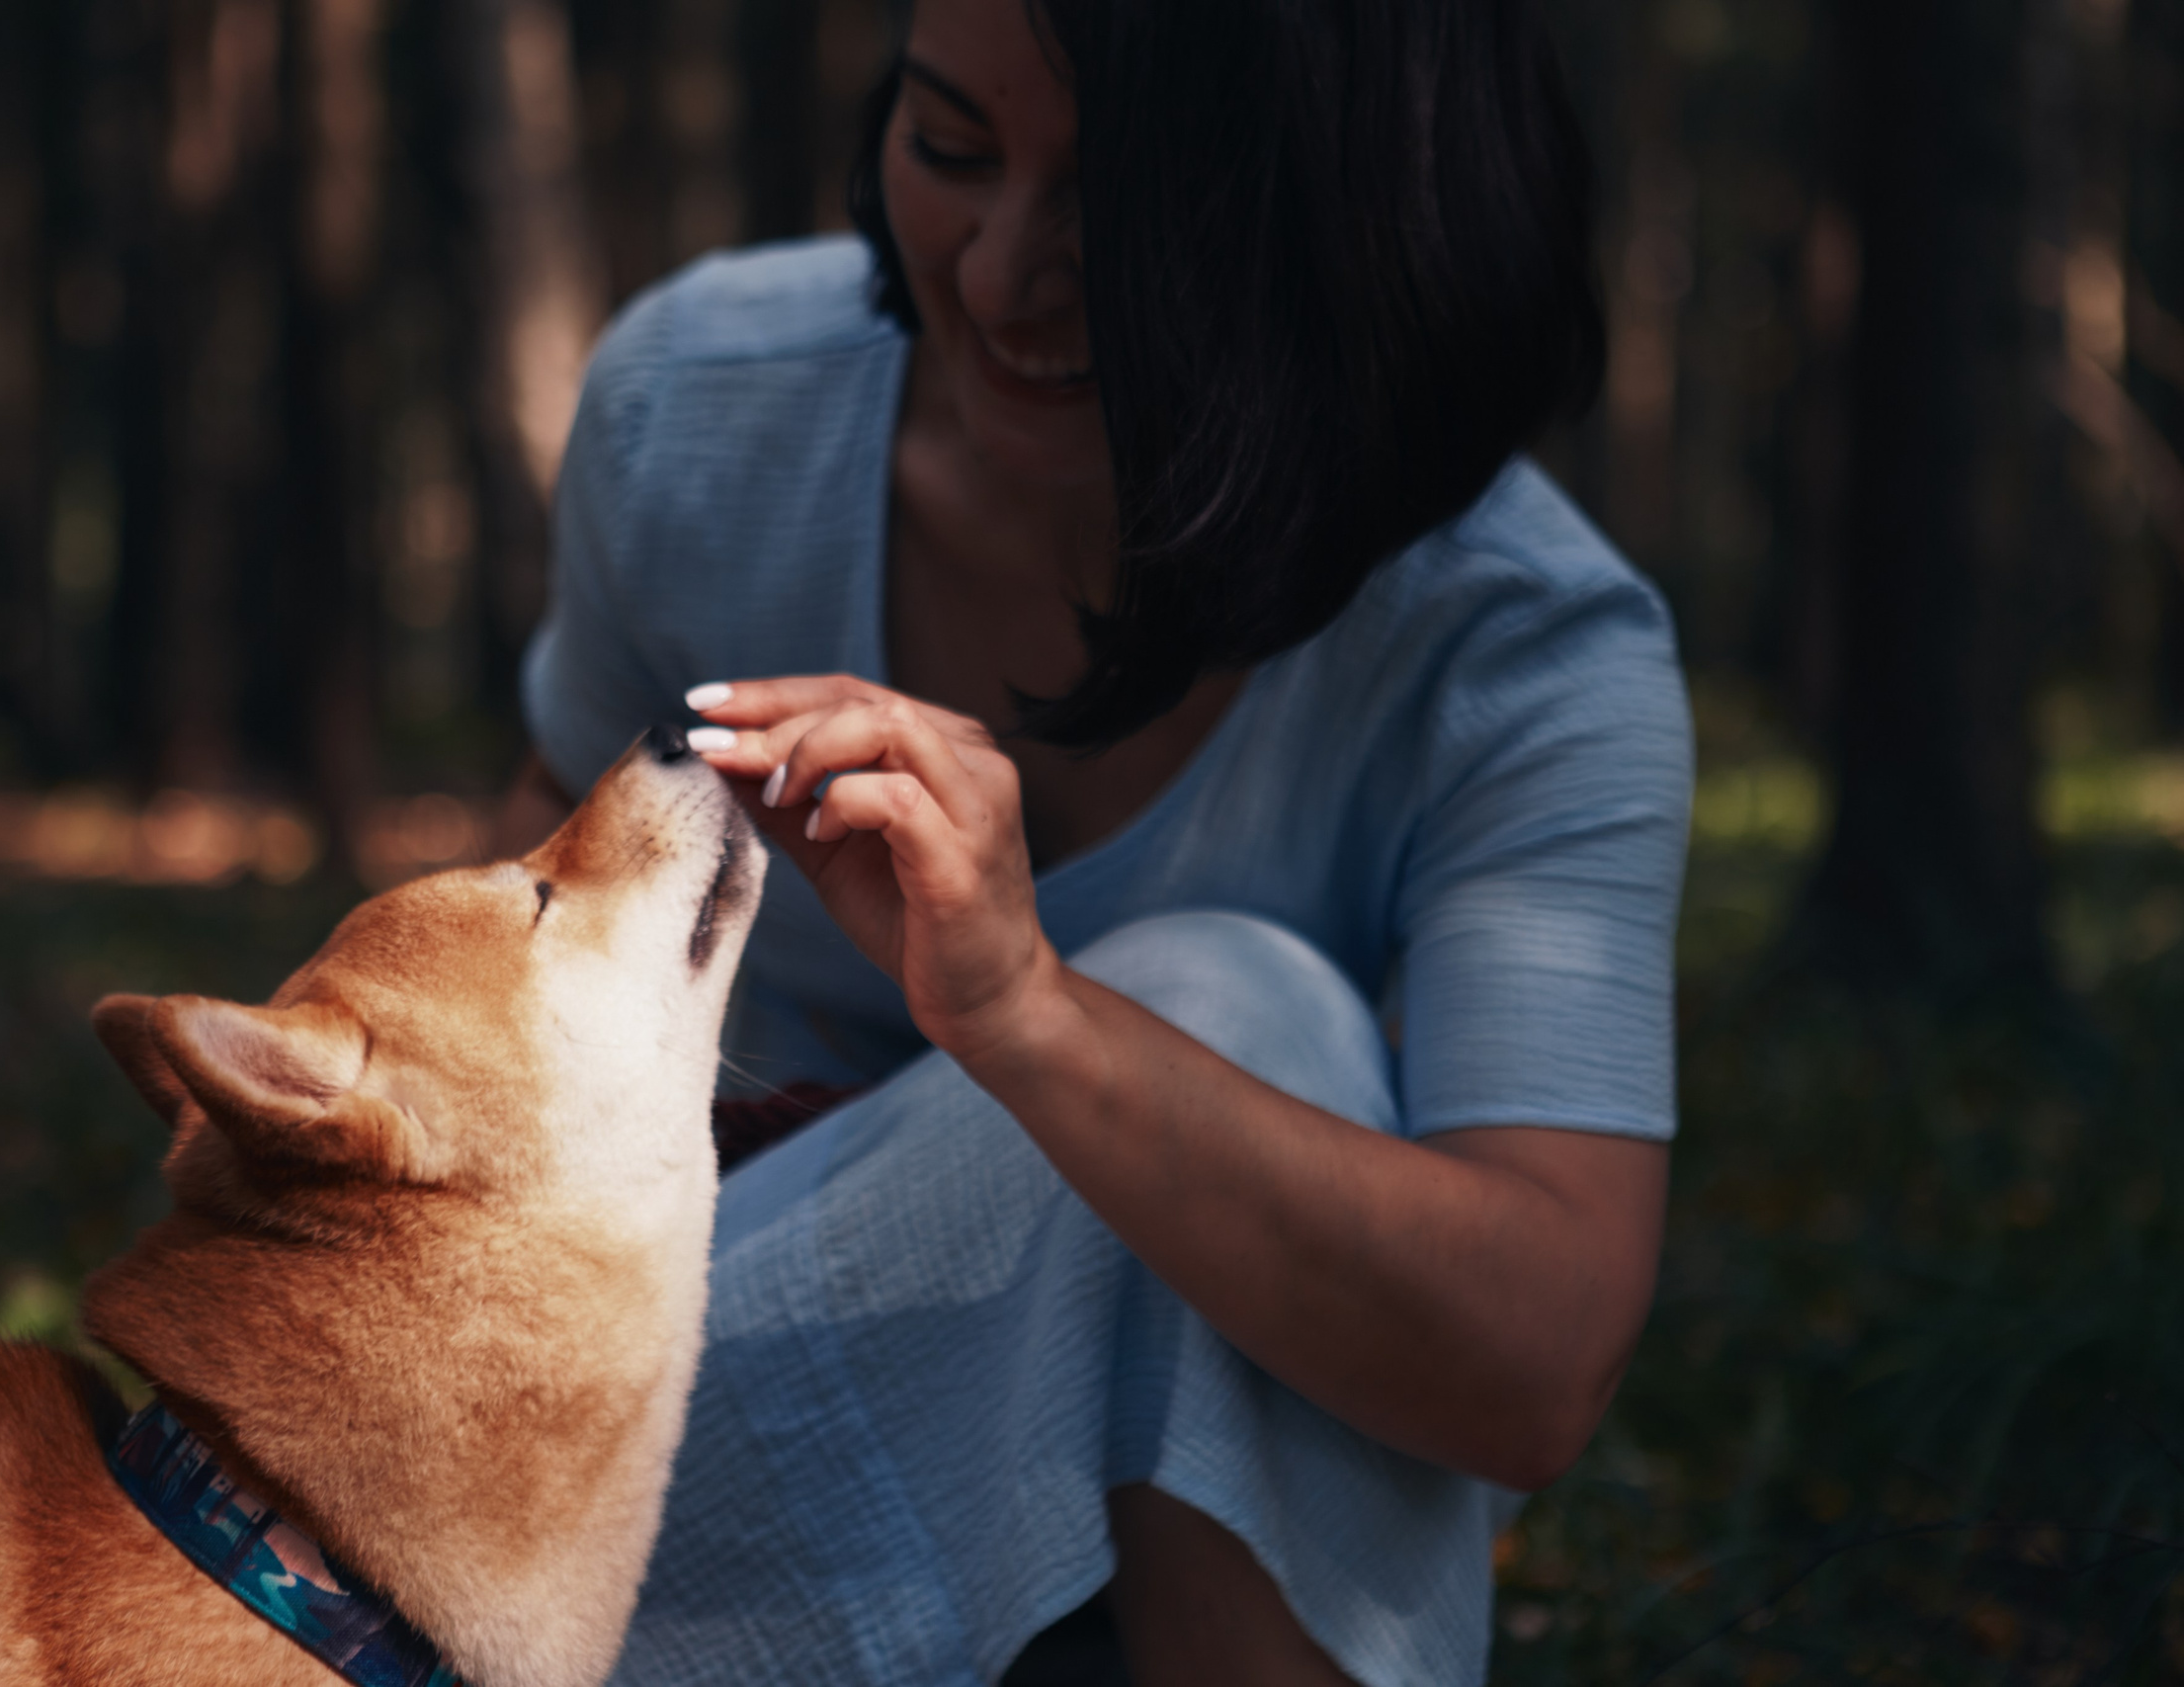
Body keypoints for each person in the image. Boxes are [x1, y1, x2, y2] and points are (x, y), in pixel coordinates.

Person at [487, 0, 1691, 1681]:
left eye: (1125, 211)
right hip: (638, 1484)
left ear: (1349, 217)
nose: (997, 273)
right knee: (1221, 1036)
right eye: (949, 147)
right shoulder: (695, 419)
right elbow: (489, 1032)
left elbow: (1539, 1360)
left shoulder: (1522, 651)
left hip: (1150, 1544)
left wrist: (1027, 1019)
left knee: (1229, 1021)